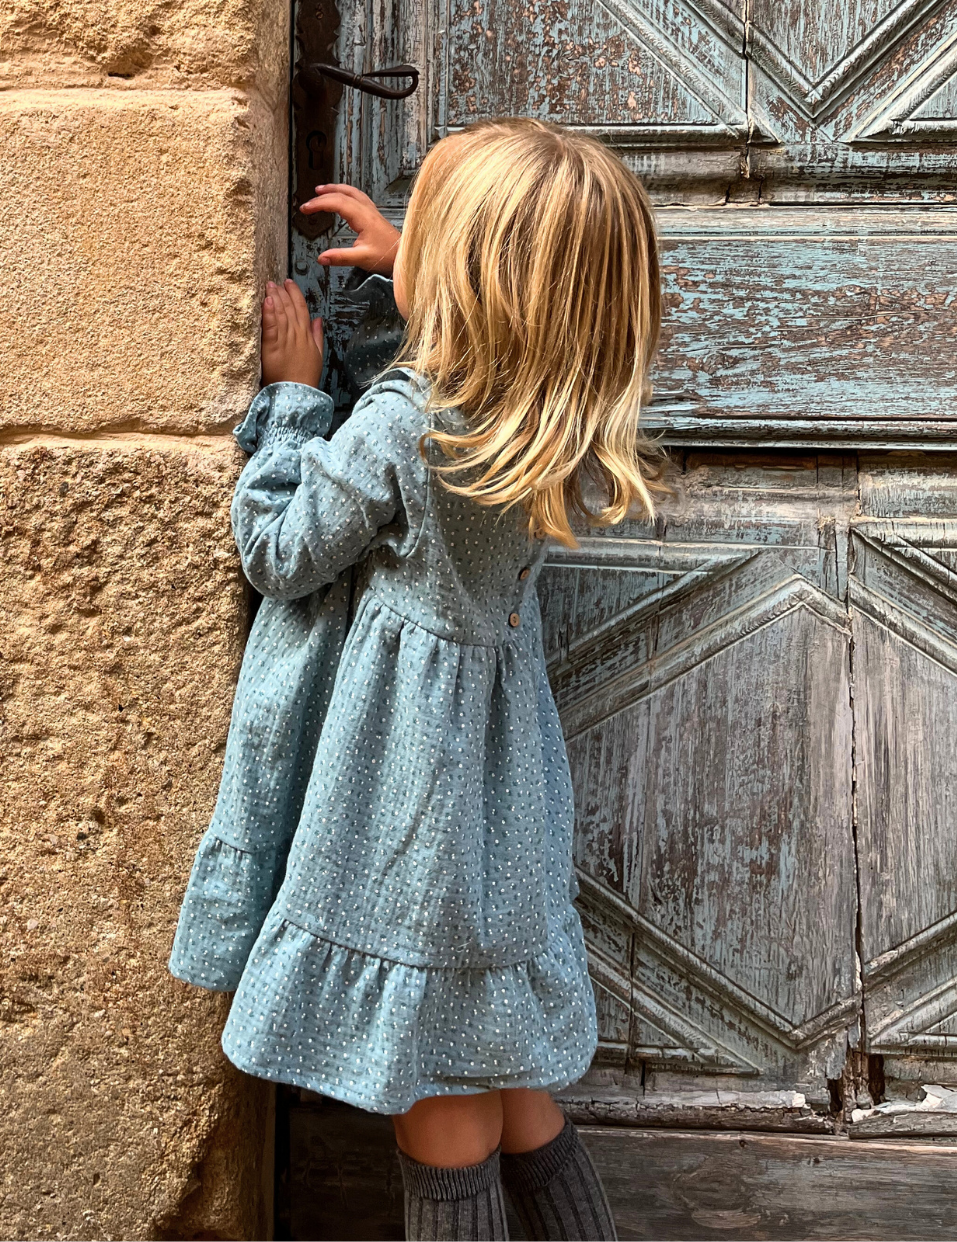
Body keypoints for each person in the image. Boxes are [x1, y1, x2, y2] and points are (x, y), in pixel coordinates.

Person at [170, 118, 665, 1240]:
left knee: (445, 1107)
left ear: (463, 275)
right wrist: (417, 265)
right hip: (502, 780)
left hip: (406, 798)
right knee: (517, 1087)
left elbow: (283, 553)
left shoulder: (401, 419)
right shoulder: (565, 411)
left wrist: (295, 403)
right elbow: (496, 343)